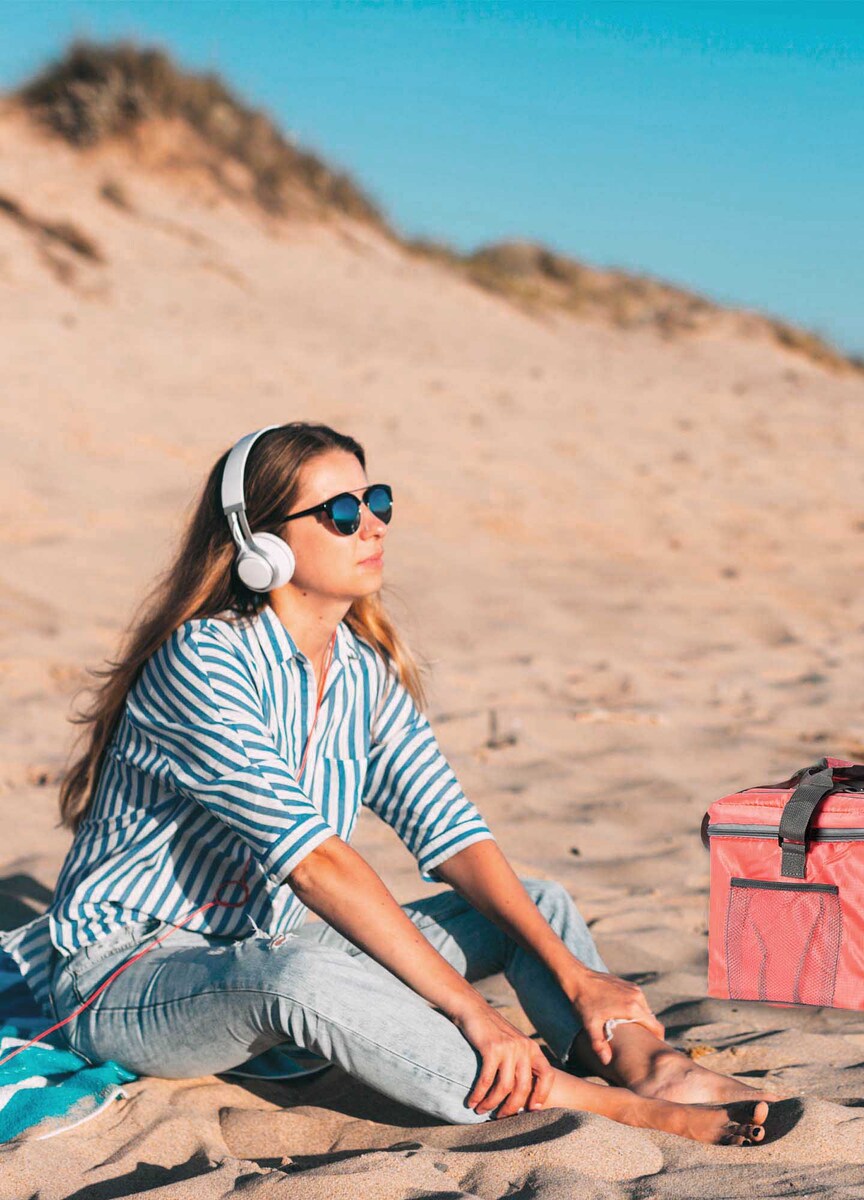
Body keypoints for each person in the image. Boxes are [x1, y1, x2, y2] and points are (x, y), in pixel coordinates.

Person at [30, 421, 784, 1147]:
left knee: (535, 909)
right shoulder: (203, 660)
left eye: (377, 501)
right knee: (298, 975)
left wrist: (577, 975)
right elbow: (316, 863)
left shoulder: (360, 672)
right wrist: (469, 1012)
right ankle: (582, 1101)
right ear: (261, 544)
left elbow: (452, 833)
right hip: (130, 973)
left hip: (264, 941)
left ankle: (648, 1068)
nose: (374, 526)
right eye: (342, 512)